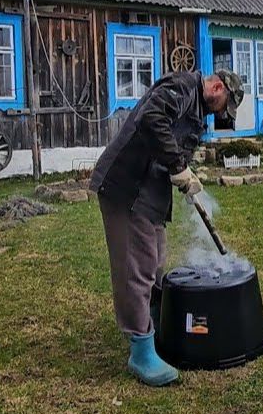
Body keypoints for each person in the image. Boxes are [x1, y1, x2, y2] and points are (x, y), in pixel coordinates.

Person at [89, 67, 244, 385]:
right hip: (128, 187)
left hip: (149, 191)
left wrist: (186, 174)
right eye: (222, 105)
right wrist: (177, 165)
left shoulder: (195, 106)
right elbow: (151, 119)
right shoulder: (182, 87)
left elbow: (174, 146)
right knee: (138, 266)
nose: (219, 115)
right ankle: (141, 349)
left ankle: (156, 327)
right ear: (216, 87)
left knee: (156, 259)